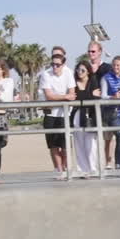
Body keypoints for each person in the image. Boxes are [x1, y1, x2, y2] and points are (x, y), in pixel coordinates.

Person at [37, 47, 76, 180]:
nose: (55, 67)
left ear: (63, 62)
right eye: (53, 63)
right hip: (50, 114)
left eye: (58, 64)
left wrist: (60, 97)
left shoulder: (69, 72)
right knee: (53, 146)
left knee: (65, 146)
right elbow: (49, 96)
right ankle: (58, 170)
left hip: (65, 114)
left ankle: (64, 169)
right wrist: (65, 97)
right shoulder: (45, 74)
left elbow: (73, 93)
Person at [100, 56, 120, 169]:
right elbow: (103, 96)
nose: (116, 67)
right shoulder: (106, 78)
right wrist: (113, 97)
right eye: (114, 65)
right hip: (113, 113)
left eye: (118, 65)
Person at [71, 60, 101, 177]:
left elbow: (96, 98)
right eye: (78, 69)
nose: (80, 72)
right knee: (78, 142)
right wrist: (90, 95)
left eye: (83, 70)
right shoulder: (73, 83)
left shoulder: (93, 81)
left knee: (90, 143)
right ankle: (82, 169)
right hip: (77, 114)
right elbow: (75, 98)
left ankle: (92, 168)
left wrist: (87, 97)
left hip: (90, 115)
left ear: (88, 71)